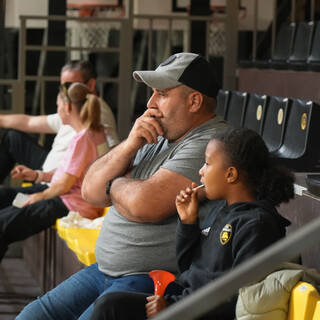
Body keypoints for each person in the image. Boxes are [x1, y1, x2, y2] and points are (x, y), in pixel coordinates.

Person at [17, 52, 229, 320]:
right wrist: (130, 144)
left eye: (161, 94)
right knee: (30, 316)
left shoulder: (211, 143)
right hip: (103, 271)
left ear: (194, 101)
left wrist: (114, 184)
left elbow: (144, 204)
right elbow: (91, 191)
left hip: (149, 283)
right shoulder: (158, 131)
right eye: (152, 93)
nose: (150, 103)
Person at [88, 127, 295, 320]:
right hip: (187, 302)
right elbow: (187, 267)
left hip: (202, 313)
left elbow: (238, 297)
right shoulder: (220, 210)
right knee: (112, 304)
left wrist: (174, 307)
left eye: (207, 163)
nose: (201, 171)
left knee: (110, 308)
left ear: (230, 174)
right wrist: (188, 222)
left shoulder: (257, 225)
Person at [0, 82, 107, 262]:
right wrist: (37, 176)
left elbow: (64, 185)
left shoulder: (84, 139)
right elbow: (69, 174)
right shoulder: (87, 135)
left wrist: (39, 197)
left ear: (67, 107)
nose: (57, 110)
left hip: (67, 203)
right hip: (62, 197)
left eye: (57, 105)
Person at [0, 60, 119, 184]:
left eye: (70, 87)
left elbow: (109, 156)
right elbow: (29, 122)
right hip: (49, 172)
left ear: (90, 85)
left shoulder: (97, 112)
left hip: (60, 183)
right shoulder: (71, 110)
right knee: (13, 138)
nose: (64, 93)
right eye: (62, 87)